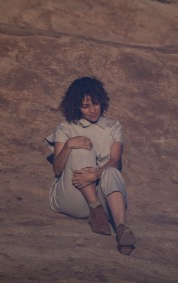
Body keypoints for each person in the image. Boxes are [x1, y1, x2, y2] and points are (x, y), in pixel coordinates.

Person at [48, 76, 136, 255]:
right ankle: (95, 210)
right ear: (76, 106)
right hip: (72, 194)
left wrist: (94, 176)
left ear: (101, 101)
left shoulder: (113, 127)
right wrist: (68, 145)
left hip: (104, 197)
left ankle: (121, 229)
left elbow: (114, 161)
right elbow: (57, 169)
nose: (92, 110)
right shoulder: (66, 127)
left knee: (111, 170)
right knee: (81, 148)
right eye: (85, 106)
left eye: (95, 103)